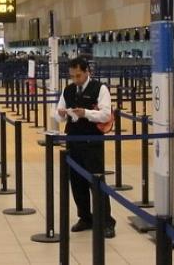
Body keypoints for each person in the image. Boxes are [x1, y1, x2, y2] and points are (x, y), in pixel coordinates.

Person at [55, 57, 116, 238]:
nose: (75, 80)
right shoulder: (68, 90)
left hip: (92, 141)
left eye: (78, 75)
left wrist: (86, 113)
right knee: (77, 182)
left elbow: (106, 115)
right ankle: (85, 217)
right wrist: (61, 114)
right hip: (73, 140)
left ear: (87, 71)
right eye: (72, 76)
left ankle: (106, 221)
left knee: (96, 181)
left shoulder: (100, 89)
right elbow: (59, 114)